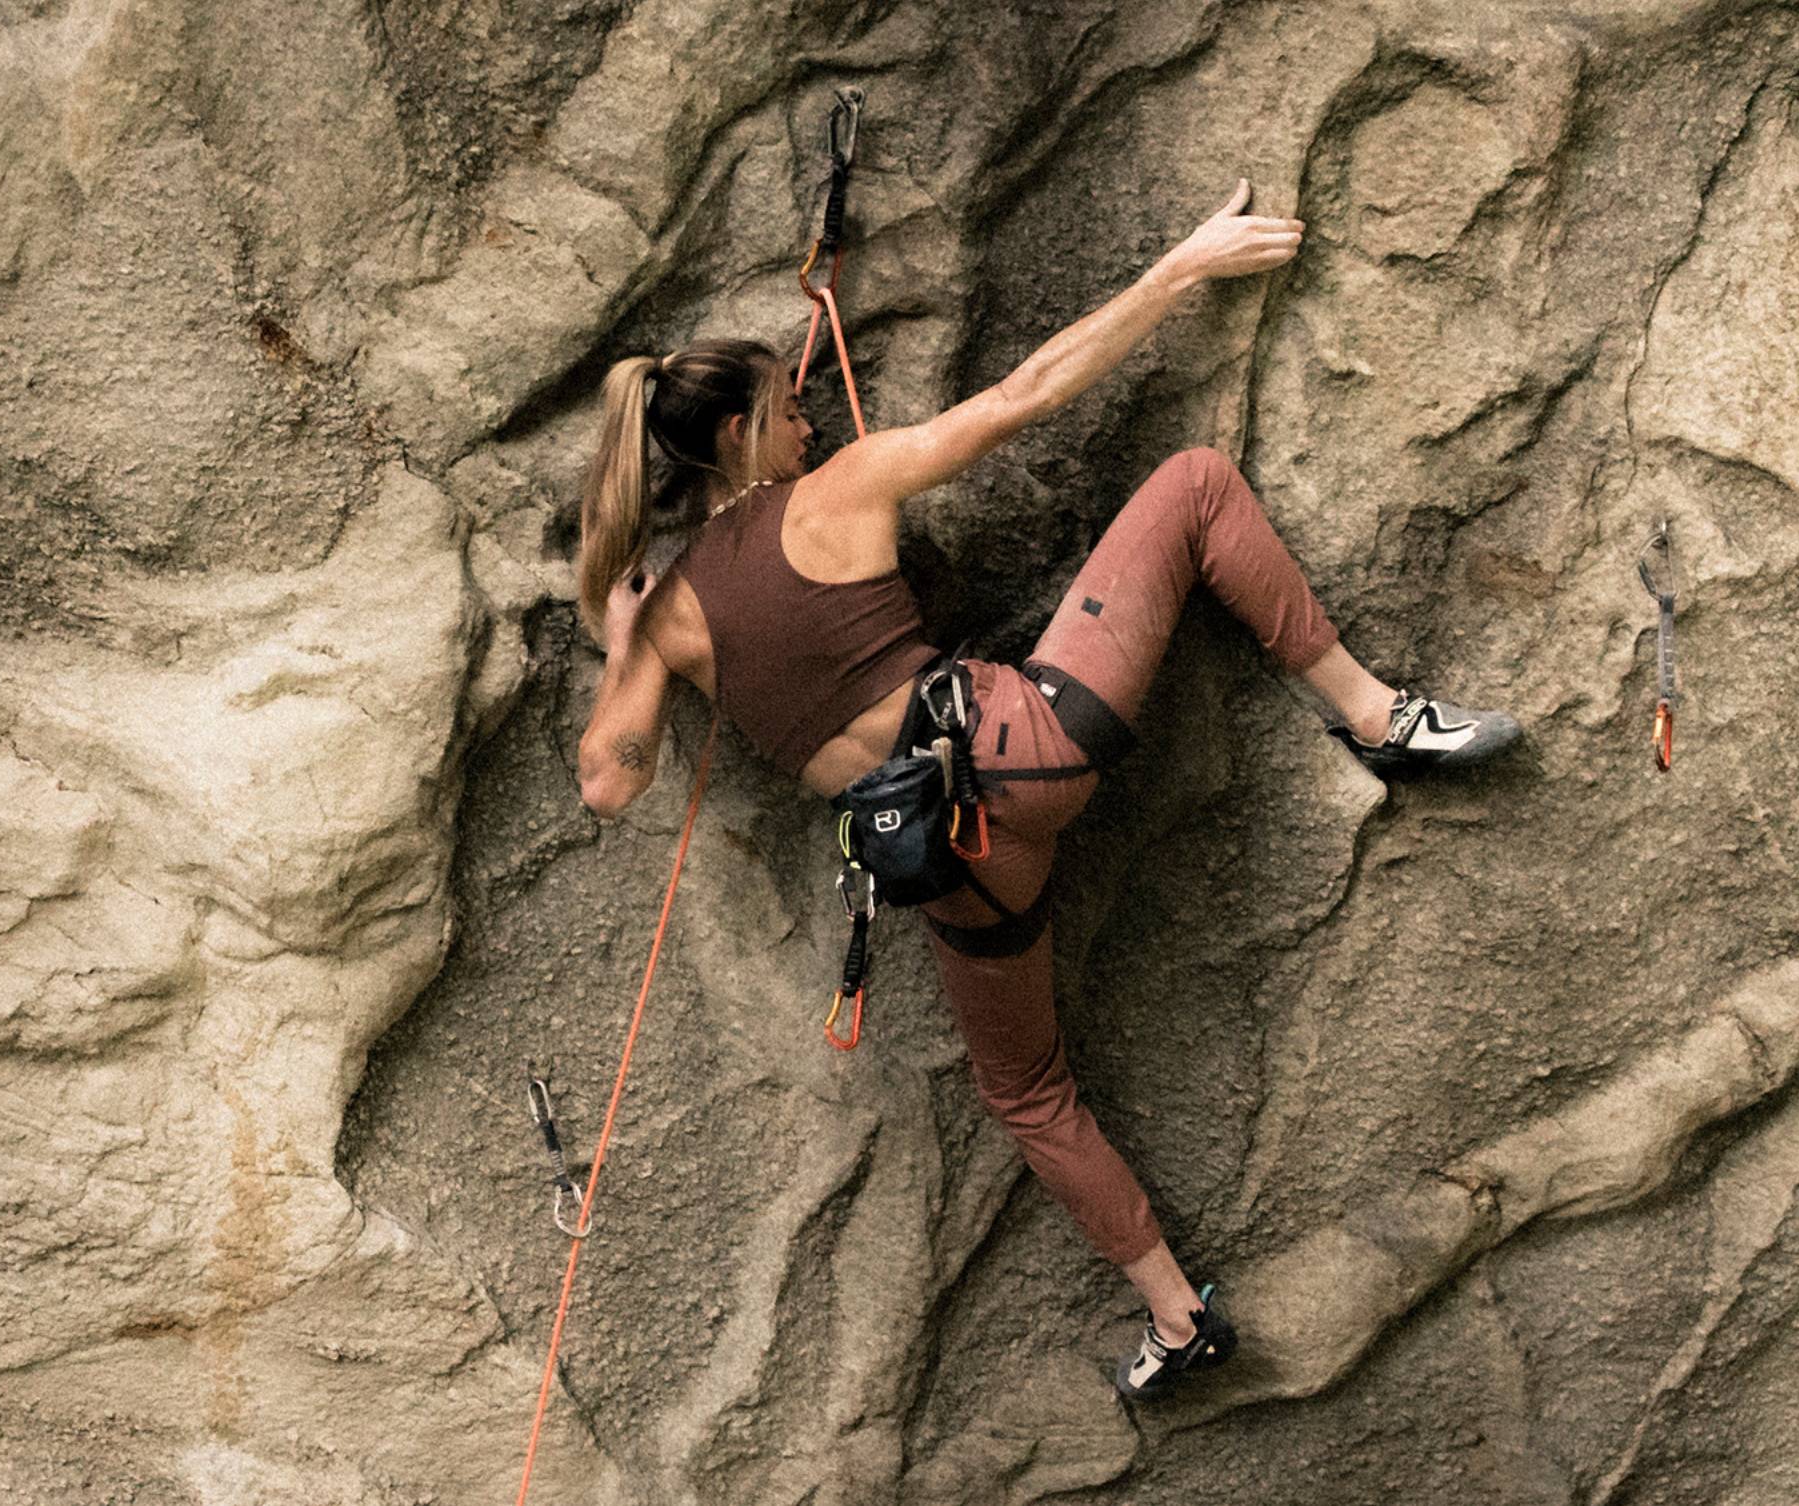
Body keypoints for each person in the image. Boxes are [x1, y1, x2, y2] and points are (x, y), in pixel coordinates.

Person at [567, 183, 1520, 1403]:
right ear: (744, 433)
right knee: (1191, 488)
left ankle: (1176, 1317)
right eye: (790, 410)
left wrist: (622, 650)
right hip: (1031, 748)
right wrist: (1177, 268)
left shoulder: (671, 620)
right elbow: (1024, 395)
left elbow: (609, 784)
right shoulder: (840, 490)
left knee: (1023, 1093)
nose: (809, 423)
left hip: (949, 873)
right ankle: (1381, 720)